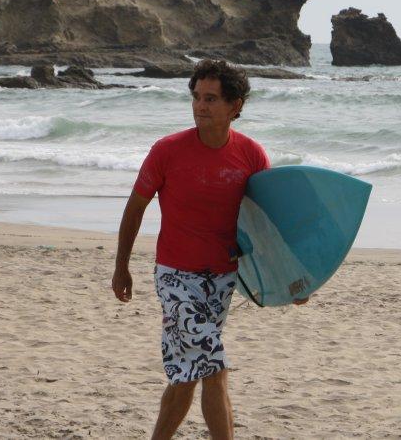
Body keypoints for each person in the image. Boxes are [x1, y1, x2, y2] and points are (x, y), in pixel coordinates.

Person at [112, 59, 293, 440]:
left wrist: (293, 280)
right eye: (196, 97)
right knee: (214, 364)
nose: (200, 106)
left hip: (223, 279)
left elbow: (264, 225)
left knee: (186, 372)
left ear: (235, 106)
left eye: (211, 99)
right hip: (175, 276)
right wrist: (121, 266)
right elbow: (135, 207)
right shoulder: (167, 151)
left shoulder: (251, 156)